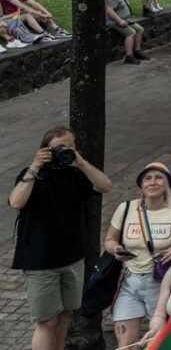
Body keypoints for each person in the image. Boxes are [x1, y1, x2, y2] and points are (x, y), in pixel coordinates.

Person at [9, 126, 112, 350]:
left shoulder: (76, 174)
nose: (64, 151)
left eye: (69, 147)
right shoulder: (32, 175)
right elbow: (16, 202)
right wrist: (35, 166)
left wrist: (81, 162)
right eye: (57, 148)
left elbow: (105, 185)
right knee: (47, 321)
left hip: (72, 258)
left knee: (65, 315)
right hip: (40, 261)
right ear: (44, 150)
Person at [104, 162, 171, 349]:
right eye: (147, 178)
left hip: (161, 283)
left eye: (159, 178)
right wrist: (116, 249)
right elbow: (109, 240)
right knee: (125, 343)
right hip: (128, 282)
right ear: (141, 185)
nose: (153, 182)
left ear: (167, 183)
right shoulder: (126, 208)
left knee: (158, 341)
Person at [4, 0, 70, 39]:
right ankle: (44, 34)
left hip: (18, 15)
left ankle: (58, 30)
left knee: (39, 12)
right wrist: (40, 15)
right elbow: (23, 7)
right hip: (9, 18)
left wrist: (46, 12)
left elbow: (35, 3)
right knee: (28, 15)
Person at [106, 0, 149, 64]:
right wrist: (120, 21)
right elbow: (109, 10)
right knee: (131, 33)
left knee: (140, 29)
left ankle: (137, 52)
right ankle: (129, 56)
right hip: (114, 22)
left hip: (125, 19)